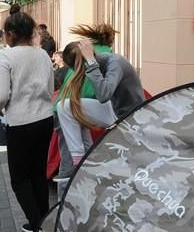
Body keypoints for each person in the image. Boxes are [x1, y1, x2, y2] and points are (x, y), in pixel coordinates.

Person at [0, 11, 54, 232]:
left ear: (12, 34)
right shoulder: (43, 55)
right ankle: (43, 222)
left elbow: (2, 94)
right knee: (38, 174)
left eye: (6, 33)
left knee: (19, 180)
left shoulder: (7, 56)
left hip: (21, 122)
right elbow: (49, 87)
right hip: (45, 119)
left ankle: (38, 227)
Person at [56, 37, 144, 168]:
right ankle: (81, 159)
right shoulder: (100, 63)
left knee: (68, 107)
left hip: (131, 118)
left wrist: (91, 62)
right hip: (114, 110)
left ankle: (82, 161)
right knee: (65, 107)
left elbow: (104, 94)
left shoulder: (115, 62)